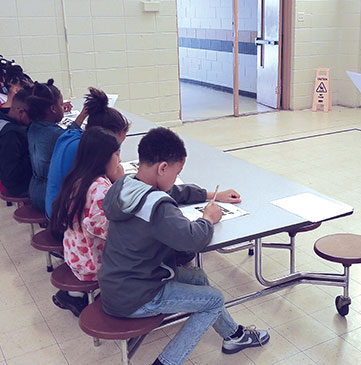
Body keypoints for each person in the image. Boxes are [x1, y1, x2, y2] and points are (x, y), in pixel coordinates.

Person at [98, 127, 270, 365]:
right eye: (177, 171)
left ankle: (234, 336)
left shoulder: (125, 186)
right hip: (138, 296)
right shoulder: (158, 207)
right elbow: (192, 239)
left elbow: (171, 191)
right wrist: (208, 218)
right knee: (214, 300)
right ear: (163, 168)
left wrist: (212, 195)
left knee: (198, 277)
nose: (176, 178)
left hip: (115, 284)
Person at [49, 127, 124, 316]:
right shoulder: (100, 190)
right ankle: (85, 296)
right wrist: (121, 182)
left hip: (74, 254)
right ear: (102, 157)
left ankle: (75, 294)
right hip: (92, 264)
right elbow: (113, 232)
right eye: (117, 153)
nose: (120, 159)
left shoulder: (77, 178)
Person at [45, 87, 130, 219]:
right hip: (64, 219)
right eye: (116, 148)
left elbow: (75, 125)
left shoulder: (71, 135)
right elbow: (117, 178)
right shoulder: (87, 150)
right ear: (104, 136)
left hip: (54, 208)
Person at [26, 79, 82, 212]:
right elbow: (69, 136)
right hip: (48, 197)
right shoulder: (55, 135)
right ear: (52, 109)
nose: (63, 107)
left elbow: (63, 133)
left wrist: (78, 114)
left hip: (34, 190)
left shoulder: (34, 126)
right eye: (61, 105)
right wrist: (84, 114)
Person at [0, 89, 32, 197]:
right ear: (21, 112)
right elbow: (11, 175)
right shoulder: (11, 134)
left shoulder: (5, 118)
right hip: (20, 186)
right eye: (34, 116)